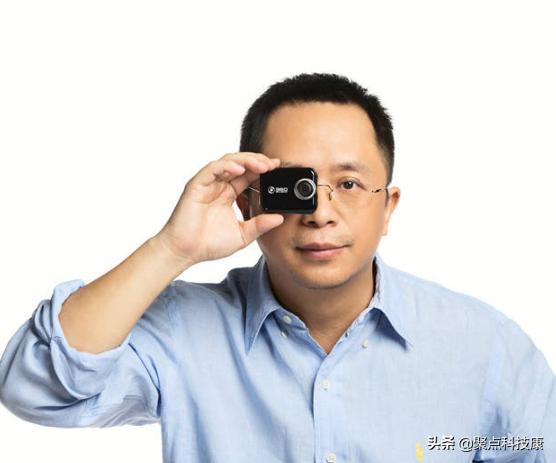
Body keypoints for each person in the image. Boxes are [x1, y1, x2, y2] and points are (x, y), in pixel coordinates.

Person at [0, 72, 554, 462]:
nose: (320, 214)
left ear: (388, 208)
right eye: (296, 186)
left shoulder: (485, 348)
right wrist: (172, 248)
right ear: (249, 202)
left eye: (349, 184)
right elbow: (34, 386)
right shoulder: (181, 333)